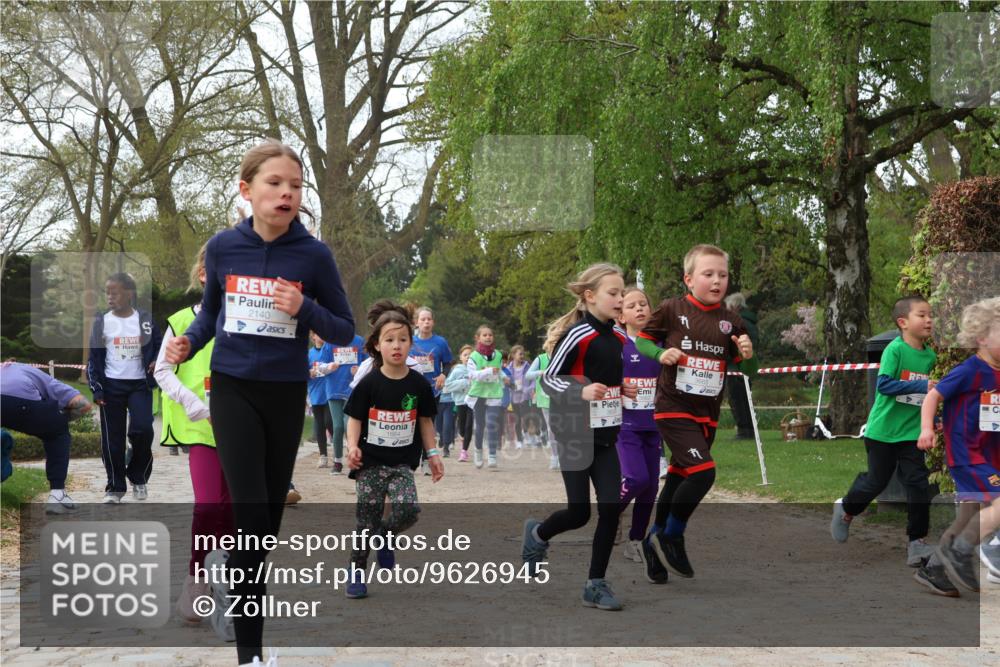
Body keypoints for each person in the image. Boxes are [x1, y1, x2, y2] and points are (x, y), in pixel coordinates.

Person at [164, 139, 354, 667]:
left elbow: (343, 327)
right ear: (247, 191)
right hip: (232, 388)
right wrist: (188, 344)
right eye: (275, 183)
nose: (287, 193)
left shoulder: (313, 256)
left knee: (265, 525)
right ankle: (251, 656)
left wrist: (305, 306)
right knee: (249, 514)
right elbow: (208, 317)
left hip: (285, 393)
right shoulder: (224, 247)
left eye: (295, 186)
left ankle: (240, 584)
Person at [521, 263, 638, 611]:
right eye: (613, 293)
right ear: (590, 296)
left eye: (622, 293)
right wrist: (580, 391)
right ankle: (538, 534)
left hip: (606, 435)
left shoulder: (620, 338)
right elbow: (548, 380)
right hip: (574, 431)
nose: (620, 299)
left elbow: (607, 380)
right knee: (579, 512)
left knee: (611, 508)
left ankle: (595, 584)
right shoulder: (577, 334)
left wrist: (622, 388)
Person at [634, 244, 753, 580]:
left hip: (708, 413)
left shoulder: (731, 321)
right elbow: (642, 340)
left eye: (723, 275)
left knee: (680, 474)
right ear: (689, 279)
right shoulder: (672, 309)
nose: (717, 281)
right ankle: (672, 534)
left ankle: (653, 538)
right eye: (708, 274)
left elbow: (750, 369)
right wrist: (660, 355)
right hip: (672, 406)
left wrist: (748, 352)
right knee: (703, 472)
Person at [153, 244, 234, 624]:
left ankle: (230, 584)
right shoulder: (180, 321)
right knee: (208, 506)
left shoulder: (244, 321)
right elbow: (161, 371)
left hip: (241, 429)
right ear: (203, 275)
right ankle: (197, 579)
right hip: (200, 427)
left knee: (234, 511)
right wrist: (194, 404)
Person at [343, 301, 443, 598]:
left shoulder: (418, 384)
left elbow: (425, 421)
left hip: (402, 463)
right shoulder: (369, 382)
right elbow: (355, 418)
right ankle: (356, 572)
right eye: (389, 340)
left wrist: (433, 454)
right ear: (377, 345)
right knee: (366, 521)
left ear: (411, 343)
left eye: (402, 340)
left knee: (409, 510)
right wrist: (351, 447)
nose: (396, 346)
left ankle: (385, 537)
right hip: (370, 463)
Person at [830, 295, 936, 568]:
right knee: (876, 482)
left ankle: (917, 543)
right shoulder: (895, 350)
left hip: (912, 433)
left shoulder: (931, 355)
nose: (929, 320)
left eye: (930, 315)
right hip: (882, 432)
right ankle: (846, 508)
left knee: (918, 485)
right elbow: (885, 385)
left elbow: (932, 395)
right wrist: (922, 386)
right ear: (903, 322)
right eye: (921, 315)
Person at [913, 297, 1000, 595]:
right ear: (982, 338)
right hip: (969, 455)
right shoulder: (970, 370)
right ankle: (961, 551)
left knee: (967, 517)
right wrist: (927, 428)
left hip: (990, 457)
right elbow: (933, 396)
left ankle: (935, 570)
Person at [88, 272, 161, 503]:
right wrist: (97, 388)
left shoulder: (145, 320)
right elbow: (94, 359)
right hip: (111, 387)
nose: (110, 296)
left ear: (129, 293)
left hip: (139, 384)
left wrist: (156, 360)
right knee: (113, 440)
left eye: (115, 292)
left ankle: (138, 476)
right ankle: (115, 488)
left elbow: (160, 347)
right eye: (107, 292)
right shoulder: (102, 322)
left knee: (143, 431)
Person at [615, 286, 668, 578]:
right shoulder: (618, 346)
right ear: (621, 316)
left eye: (644, 304)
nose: (640, 309)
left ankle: (635, 540)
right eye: (632, 306)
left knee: (650, 488)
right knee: (636, 478)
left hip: (654, 425)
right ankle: (611, 513)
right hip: (625, 426)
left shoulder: (660, 345)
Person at [0, 362, 93, 513]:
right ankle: (57, 494)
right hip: (21, 402)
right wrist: (60, 419)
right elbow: (83, 404)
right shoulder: (32, 372)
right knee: (58, 433)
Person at [410, 307, 453, 469]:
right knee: (413, 424)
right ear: (416, 322)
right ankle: (412, 459)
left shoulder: (440, 342)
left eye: (429, 319)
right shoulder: (410, 342)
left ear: (433, 322)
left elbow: (448, 363)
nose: (426, 322)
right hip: (413, 389)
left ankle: (426, 459)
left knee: (428, 423)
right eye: (423, 319)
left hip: (433, 389)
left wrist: (443, 375)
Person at [323, 331, 367, 475]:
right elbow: (320, 365)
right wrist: (329, 367)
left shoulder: (359, 341)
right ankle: (337, 461)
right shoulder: (329, 341)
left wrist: (359, 370)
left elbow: (369, 363)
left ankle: (354, 460)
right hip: (333, 389)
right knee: (338, 426)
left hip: (352, 389)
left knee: (350, 425)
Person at [466, 325, 505, 469]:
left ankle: (492, 455)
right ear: (478, 338)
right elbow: (472, 375)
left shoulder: (499, 355)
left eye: (490, 335)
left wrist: (505, 378)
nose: (488, 337)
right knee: (480, 426)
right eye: (485, 335)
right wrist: (488, 371)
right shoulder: (474, 356)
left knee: (491, 423)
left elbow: (500, 372)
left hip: (494, 393)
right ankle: (478, 451)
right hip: (478, 394)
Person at [723, 292, 759, 439]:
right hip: (745, 365)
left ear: (734, 306)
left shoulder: (738, 323)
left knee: (737, 399)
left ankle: (744, 430)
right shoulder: (751, 322)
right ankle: (749, 429)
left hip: (736, 367)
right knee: (746, 399)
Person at [526, 343, 559, 469]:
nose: (554, 345)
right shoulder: (540, 359)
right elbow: (528, 375)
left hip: (563, 398)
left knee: (563, 428)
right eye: (552, 343)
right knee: (552, 429)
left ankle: (562, 456)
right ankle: (555, 456)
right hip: (546, 399)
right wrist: (541, 372)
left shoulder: (565, 356)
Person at [307, 332, 332, 468]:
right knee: (319, 424)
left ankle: (337, 441)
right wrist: (310, 372)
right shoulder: (309, 354)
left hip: (329, 391)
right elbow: (304, 371)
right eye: (318, 333)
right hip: (315, 392)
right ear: (313, 337)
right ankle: (323, 456)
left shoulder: (329, 349)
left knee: (329, 420)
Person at [445, 345, 473, 461]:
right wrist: (465, 382)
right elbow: (448, 385)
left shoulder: (477, 369)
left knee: (469, 426)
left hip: (473, 401)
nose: (468, 357)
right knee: (462, 428)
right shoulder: (457, 370)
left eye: (470, 355)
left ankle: (464, 451)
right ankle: (462, 439)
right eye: (465, 355)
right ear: (460, 357)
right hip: (460, 401)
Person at [507, 345, 532, 449]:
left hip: (525, 396)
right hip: (514, 397)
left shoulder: (527, 366)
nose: (522, 356)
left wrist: (528, 389)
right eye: (520, 354)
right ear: (513, 355)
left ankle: (525, 432)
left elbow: (533, 380)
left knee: (525, 417)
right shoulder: (509, 368)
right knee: (517, 419)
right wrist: (511, 386)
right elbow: (506, 381)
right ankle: (520, 441)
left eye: (523, 354)